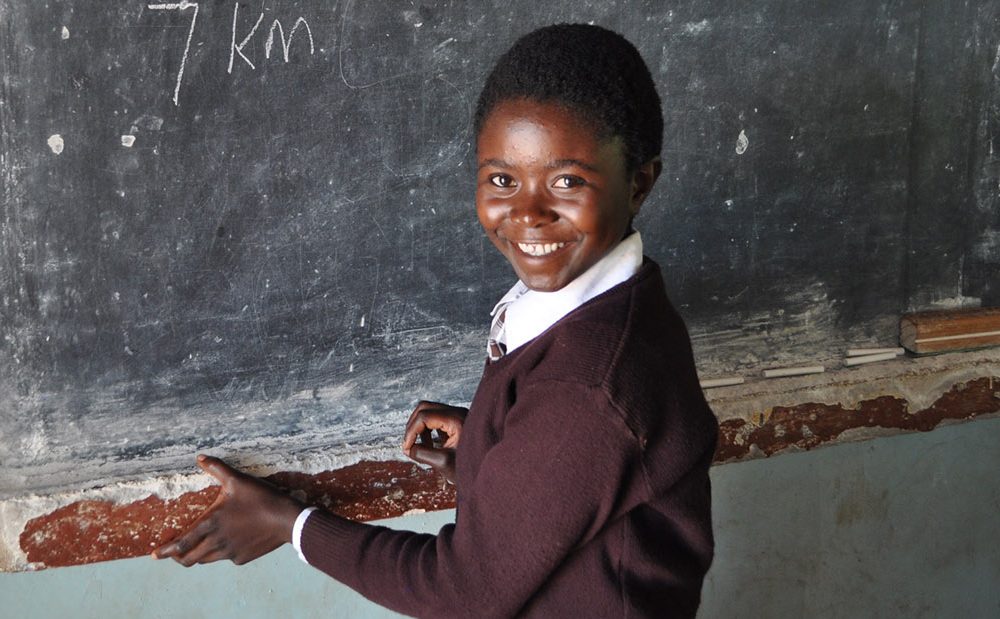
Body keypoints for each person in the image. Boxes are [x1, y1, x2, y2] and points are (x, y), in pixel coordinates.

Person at [153, 23, 719, 618]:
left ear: (639, 183)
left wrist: (289, 525)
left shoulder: (589, 387)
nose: (527, 213)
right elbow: (580, 483)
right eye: (502, 179)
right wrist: (491, 443)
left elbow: (464, 593)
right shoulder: (612, 306)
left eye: (567, 181)